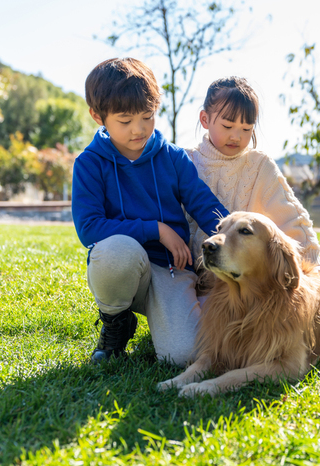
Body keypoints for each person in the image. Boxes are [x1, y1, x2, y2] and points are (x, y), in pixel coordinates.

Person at [72, 58, 229, 366]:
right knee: (116, 252)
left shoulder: (172, 158)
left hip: (172, 271)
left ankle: (168, 319)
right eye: (125, 120)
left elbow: (204, 204)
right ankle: (117, 323)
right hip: (123, 270)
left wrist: (238, 234)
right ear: (97, 116)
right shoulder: (89, 163)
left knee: (183, 355)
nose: (139, 129)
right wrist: (156, 229)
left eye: (147, 116)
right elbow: (90, 228)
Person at [185, 76, 320, 279]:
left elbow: (292, 219)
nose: (236, 136)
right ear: (205, 119)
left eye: (246, 129)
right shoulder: (185, 161)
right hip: (187, 273)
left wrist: (313, 263)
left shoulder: (259, 165)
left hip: (236, 276)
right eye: (227, 126)